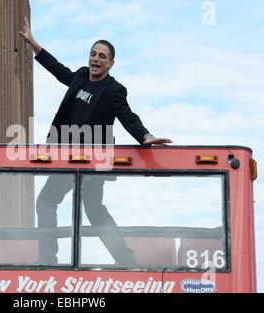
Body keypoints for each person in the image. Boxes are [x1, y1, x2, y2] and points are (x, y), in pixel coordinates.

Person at [20, 17, 172, 266]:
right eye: (93, 54)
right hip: (66, 156)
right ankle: (48, 258)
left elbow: (128, 117)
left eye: (102, 56)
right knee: (45, 202)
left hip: (94, 162)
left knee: (93, 209)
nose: (96, 59)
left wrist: (145, 136)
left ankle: (126, 260)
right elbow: (59, 71)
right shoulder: (80, 76)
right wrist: (34, 44)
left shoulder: (114, 90)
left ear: (111, 63)